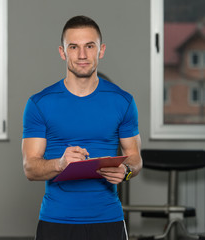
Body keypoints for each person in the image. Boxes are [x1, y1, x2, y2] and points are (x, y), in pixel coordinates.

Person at [22, 15, 142, 240]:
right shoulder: (39, 104)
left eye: (90, 46)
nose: (83, 55)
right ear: (62, 52)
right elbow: (30, 168)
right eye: (74, 47)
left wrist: (125, 172)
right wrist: (60, 164)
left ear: (101, 50)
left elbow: (135, 158)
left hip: (108, 220)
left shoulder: (123, 101)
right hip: (57, 221)